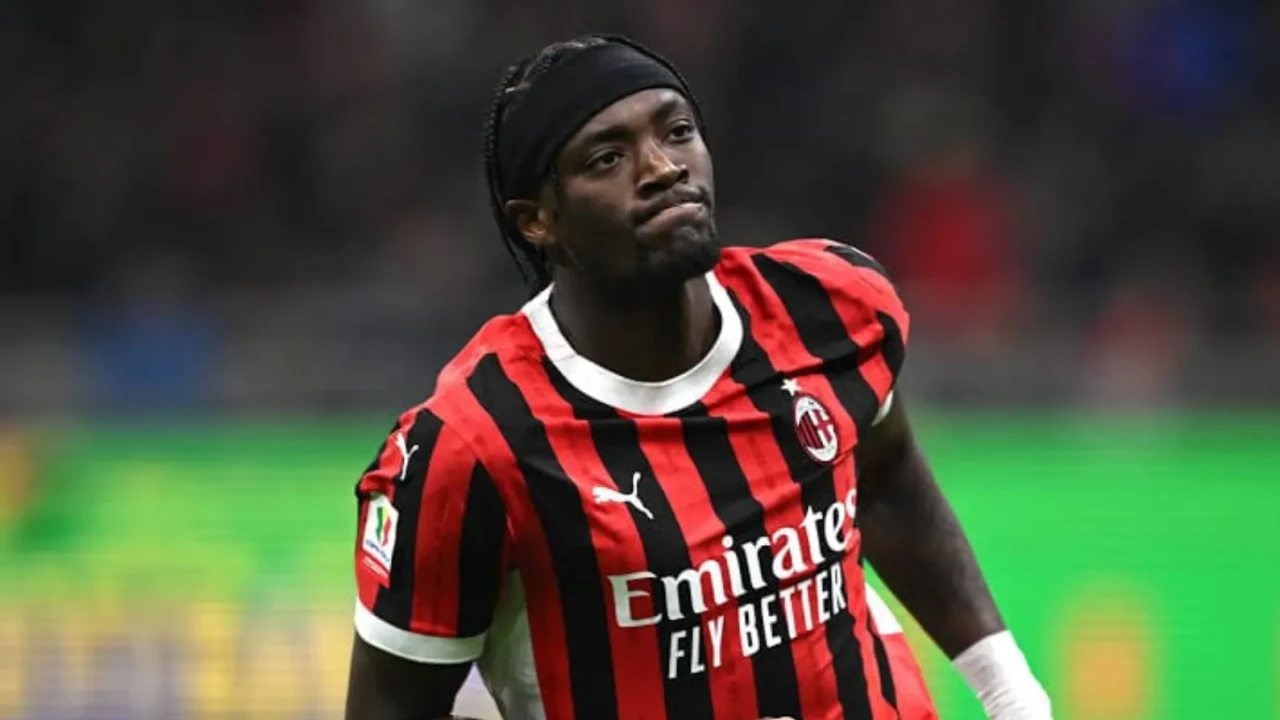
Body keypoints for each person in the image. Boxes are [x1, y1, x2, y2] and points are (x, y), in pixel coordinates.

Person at [344, 34, 1053, 720]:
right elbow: (393, 706)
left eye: (678, 131)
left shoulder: (826, 309)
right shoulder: (473, 445)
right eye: (607, 158)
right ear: (538, 221)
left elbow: (888, 482)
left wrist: (1012, 695)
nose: (662, 168)